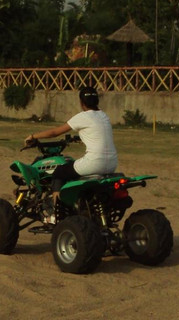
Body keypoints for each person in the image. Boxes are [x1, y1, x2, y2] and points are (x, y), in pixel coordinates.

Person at [23, 85, 118, 223]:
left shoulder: (83, 117)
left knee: (59, 172)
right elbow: (96, 133)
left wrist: (33, 136)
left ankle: (56, 214)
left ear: (81, 102)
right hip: (112, 164)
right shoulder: (104, 116)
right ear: (97, 101)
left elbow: (55, 132)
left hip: (94, 163)